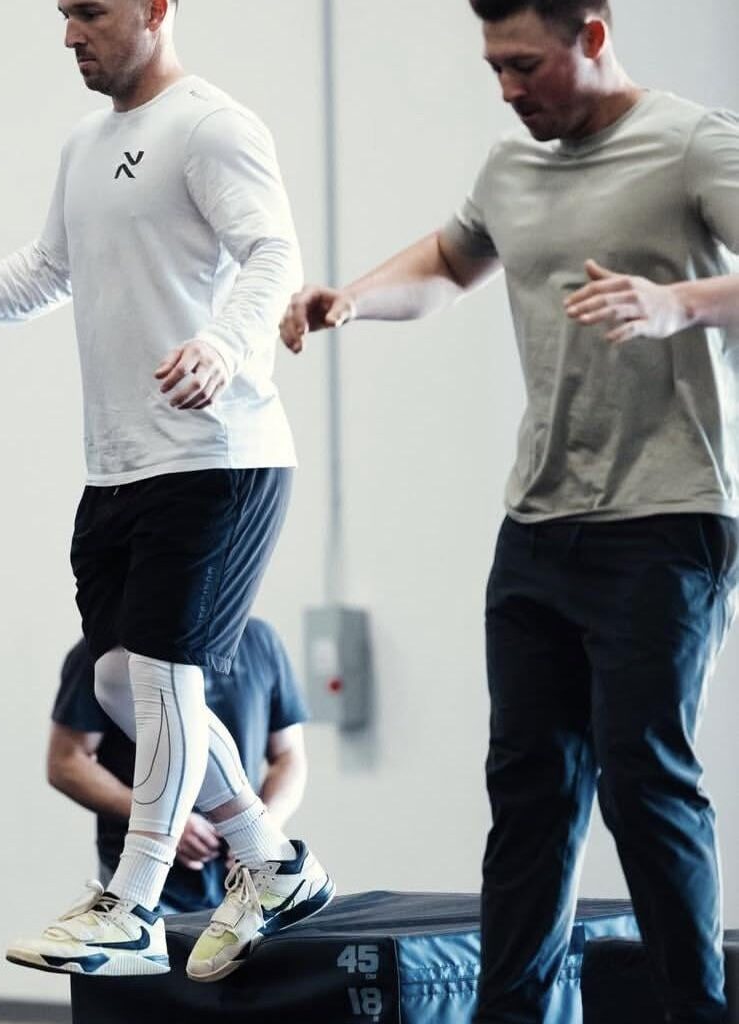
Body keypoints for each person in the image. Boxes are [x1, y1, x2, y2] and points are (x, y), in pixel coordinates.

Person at [0, 0, 333, 983]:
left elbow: (274, 252)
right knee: (116, 681)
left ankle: (134, 903)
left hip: (217, 453)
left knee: (160, 674)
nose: (70, 35)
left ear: (154, 9)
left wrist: (224, 348)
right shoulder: (85, 146)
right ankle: (271, 864)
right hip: (118, 467)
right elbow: (46, 270)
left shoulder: (213, 125)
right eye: (64, 15)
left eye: (91, 13)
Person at [281, 2, 739, 1021]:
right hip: (536, 526)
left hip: (666, 518)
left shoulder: (690, 144)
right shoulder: (510, 168)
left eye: (526, 65)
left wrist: (680, 303)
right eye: (494, 68)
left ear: (594, 32)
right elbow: (448, 262)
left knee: (644, 786)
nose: (508, 90)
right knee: (529, 796)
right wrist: (350, 297)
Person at [49, 618, 309, 916]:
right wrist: (169, 823)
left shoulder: (260, 641)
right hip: (147, 884)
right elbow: (66, 761)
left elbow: (288, 755)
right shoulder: (106, 650)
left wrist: (260, 833)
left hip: (243, 884)